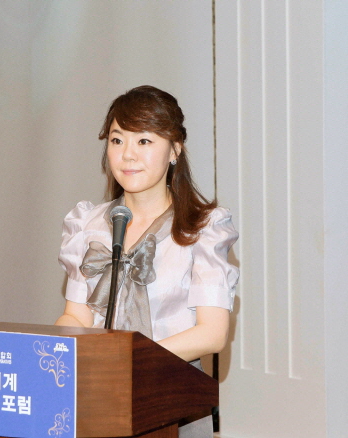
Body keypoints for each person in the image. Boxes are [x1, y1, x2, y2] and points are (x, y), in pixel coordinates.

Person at [55, 85, 240, 438]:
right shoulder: (87, 225)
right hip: (99, 396)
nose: (127, 155)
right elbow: (77, 317)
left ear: (175, 149)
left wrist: (130, 362)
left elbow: (213, 334)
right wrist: (53, 353)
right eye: (117, 140)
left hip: (173, 399)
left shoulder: (203, 228)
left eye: (144, 141)